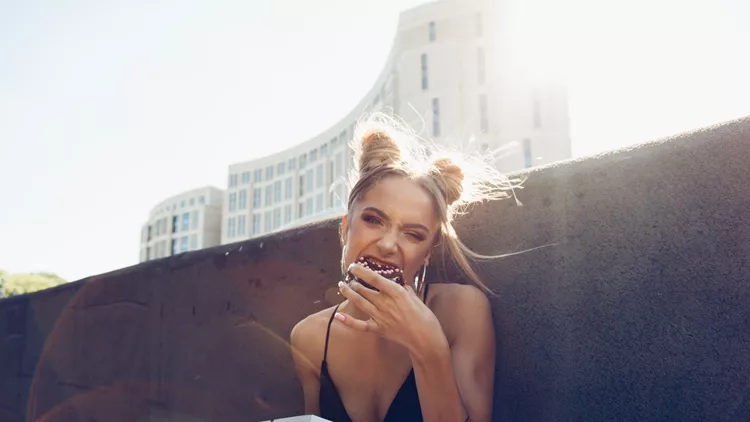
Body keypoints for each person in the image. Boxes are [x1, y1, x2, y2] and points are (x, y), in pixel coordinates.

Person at [290, 114, 517, 422]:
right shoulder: (309, 337)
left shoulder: (461, 311)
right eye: (373, 220)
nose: (387, 245)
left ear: (427, 253)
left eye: (413, 234)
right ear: (345, 229)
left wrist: (428, 347)